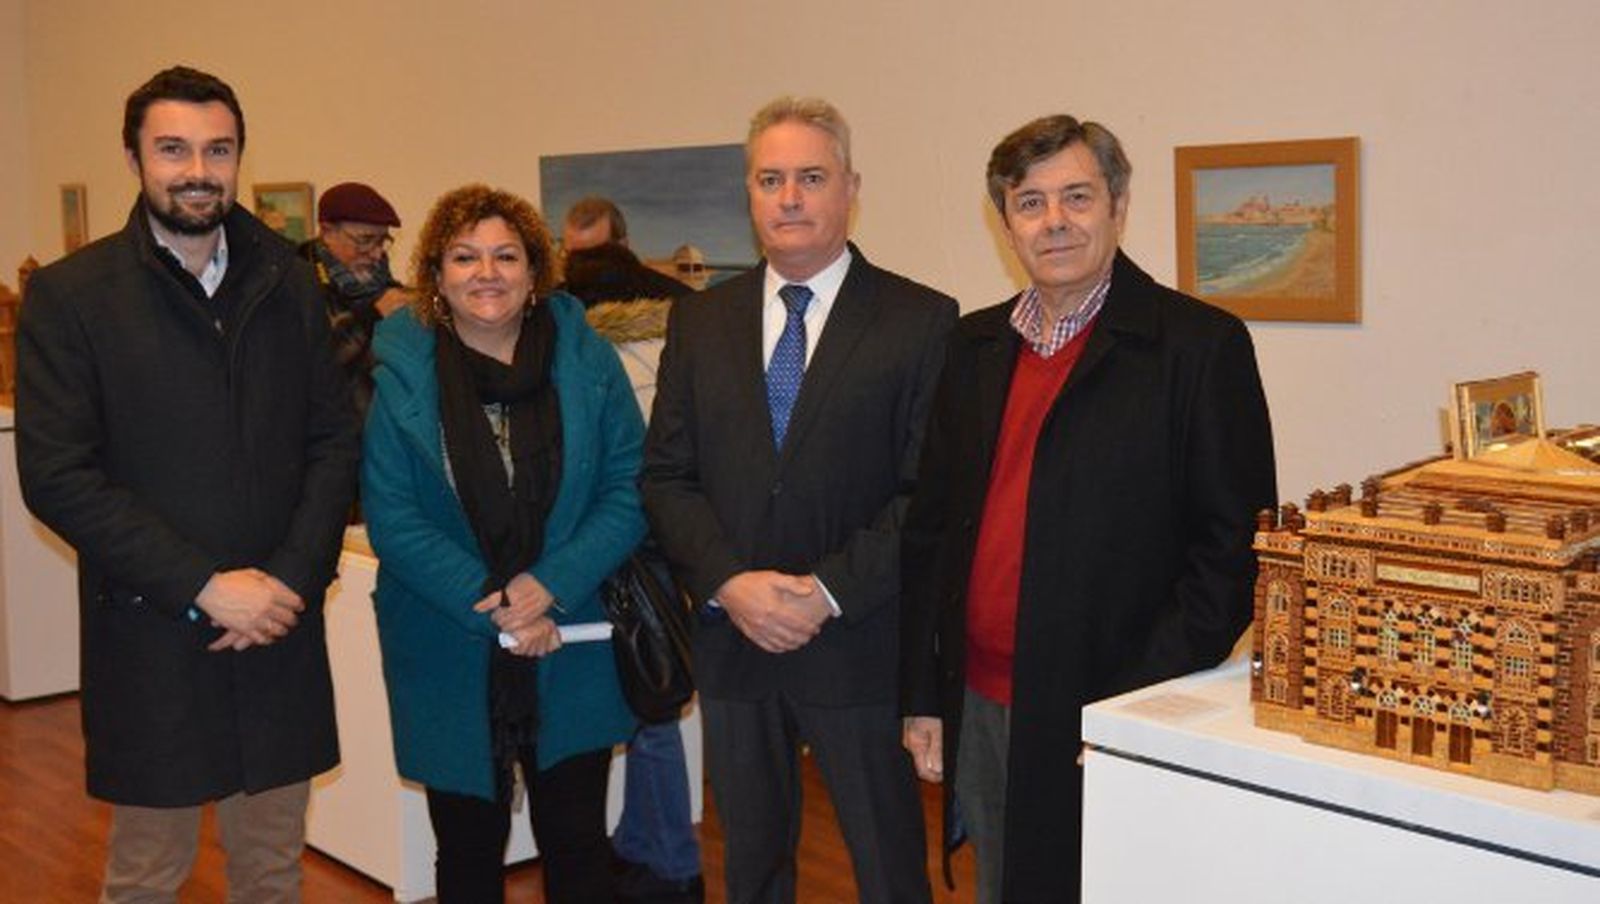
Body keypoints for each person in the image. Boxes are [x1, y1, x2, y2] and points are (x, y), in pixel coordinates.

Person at [899, 114, 1277, 903]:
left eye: (1077, 195)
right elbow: (931, 534)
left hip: (1106, 708)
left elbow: (1233, 553)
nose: (1055, 221)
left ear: (1118, 204)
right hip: (981, 699)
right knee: (1005, 884)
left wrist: (1131, 706)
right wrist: (924, 696)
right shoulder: (972, 349)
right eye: (1030, 203)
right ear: (1005, 222)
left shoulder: (1198, 347)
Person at [14, 65, 359, 902]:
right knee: (145, 876)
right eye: (172, 149)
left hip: (277, 628)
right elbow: (57, 476)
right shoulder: (73, 297)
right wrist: (205, 586)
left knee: (273, 872)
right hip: (153, 632)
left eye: (217, 149)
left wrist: (287, 579)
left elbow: (333, 439)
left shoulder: (288, 280)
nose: (197, 170)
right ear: (133, 159)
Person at [641, 96, 957, 904]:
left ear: (850, 187)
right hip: (735, 645)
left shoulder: (921, 320)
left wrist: (823, 593)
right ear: (748, 193)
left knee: (890, 869)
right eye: (770, 179)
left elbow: (929, 496)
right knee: (750, 870)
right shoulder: (700, 322)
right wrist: (729, 584)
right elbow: (667, 476)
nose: (789, 198)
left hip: (859, 649)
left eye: (811, 177)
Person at [361, 183, 645, 903]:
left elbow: (630, 487)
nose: (486, 272)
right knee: (465, 852)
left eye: (505, 255)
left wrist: (548, 585)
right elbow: (393, 519)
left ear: (534, 273)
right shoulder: (399, 371)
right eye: (464, 256)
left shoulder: (588, 362)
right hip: (447, 641)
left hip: (571, 632)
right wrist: (500, 609)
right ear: (436, 276)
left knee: (580, 846)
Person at [560, 196, 703, 903]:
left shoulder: (565, 326)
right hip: (671, 527)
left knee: (640, 704)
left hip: (609, 533)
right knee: (653, 694)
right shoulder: (687, 315)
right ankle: (653, 847)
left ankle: (668, 860)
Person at [299, 181, 412, 418]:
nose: (376, 253)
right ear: (327, 231)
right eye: (365, 240)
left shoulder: (385, 286)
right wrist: (372, 315)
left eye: (382, 241)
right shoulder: (294, 282)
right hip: (327, 438)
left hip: (383, 431)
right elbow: (311, 363)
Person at [561, 195, 694, 308]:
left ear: (623, 245)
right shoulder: (555, 306)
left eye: (593, 256)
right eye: (570, 255)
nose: (579, 266)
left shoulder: (679, 301)